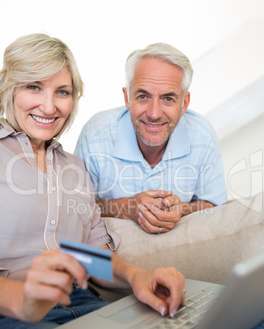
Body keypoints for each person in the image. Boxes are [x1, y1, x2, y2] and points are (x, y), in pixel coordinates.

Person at [0, 34, 264, 329]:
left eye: (62, 92)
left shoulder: (72, 168)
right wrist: (22, 299)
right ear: (8, 87)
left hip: (85, 306)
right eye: (33, 87)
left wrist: (135, 276)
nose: (49, 106)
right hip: (14, 321)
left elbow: (88, 254)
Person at [74, 43, 227, 235]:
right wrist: (126, 207)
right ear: (127, 98)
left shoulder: (202, 135)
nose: (154, 114)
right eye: (143, 96)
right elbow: (75, 209)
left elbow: (215, 205)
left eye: (168, 99)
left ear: (184, 103)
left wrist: (183, 209)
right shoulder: (95, 133)